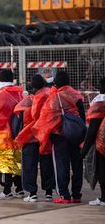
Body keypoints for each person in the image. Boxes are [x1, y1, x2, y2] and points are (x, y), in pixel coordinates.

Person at [32, 71, 85, 204]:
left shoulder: (54, 97)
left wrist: (45, 134)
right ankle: (77, 194)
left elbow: (46, 117)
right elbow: (82, 116)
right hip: (75, 134)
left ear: (56, 83)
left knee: (62, 165)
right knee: (77, 164)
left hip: (59, 136)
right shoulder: (76, 95)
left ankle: (64, 195)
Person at [14, 75, 54, 202]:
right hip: (46, 135)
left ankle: (32, 193)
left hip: (32, 135)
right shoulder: (50, 94)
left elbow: (28, 116)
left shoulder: (32, 99)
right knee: (46, 163)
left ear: (32, 85)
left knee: (29, 164)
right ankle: (48, 192)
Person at [0, 69, 25, 200]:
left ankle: (6, 190)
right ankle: (19, 189)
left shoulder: (2, 93)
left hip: (3, 132)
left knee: (5, 161)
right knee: (16, 160)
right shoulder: (19, 92)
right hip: (17, 132)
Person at [81, 78, 105, 206]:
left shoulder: (99, 102)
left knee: (102, 169)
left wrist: (84, 150)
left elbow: (93, 129)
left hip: (102, 143)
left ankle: (104, 198)